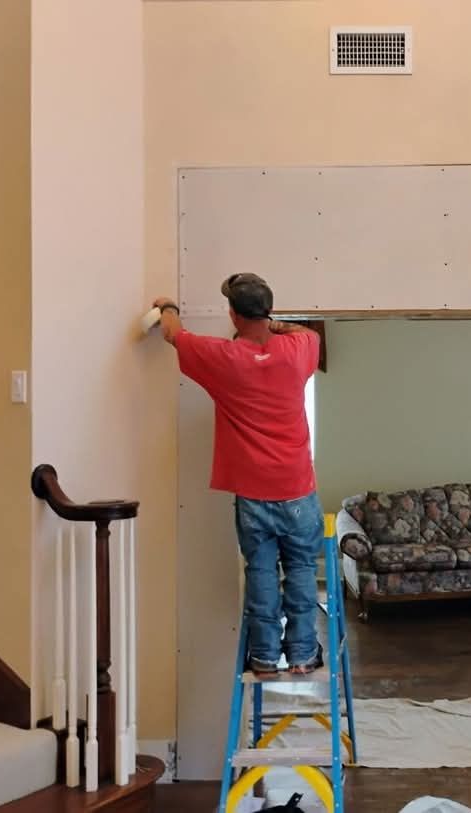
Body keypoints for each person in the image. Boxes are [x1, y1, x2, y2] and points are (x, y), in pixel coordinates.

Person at [153, 274, 323, 676]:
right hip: (298, 488)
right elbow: (305, 331)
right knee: (300, 570)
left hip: (253, 492)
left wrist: (167, 306)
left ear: (232, 313)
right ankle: (301, 655)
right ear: (268, 310)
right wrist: (274, 323)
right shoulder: (299, 348)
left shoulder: (221, 358)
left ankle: (264, 657)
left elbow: (172, 333)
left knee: (261, 572)